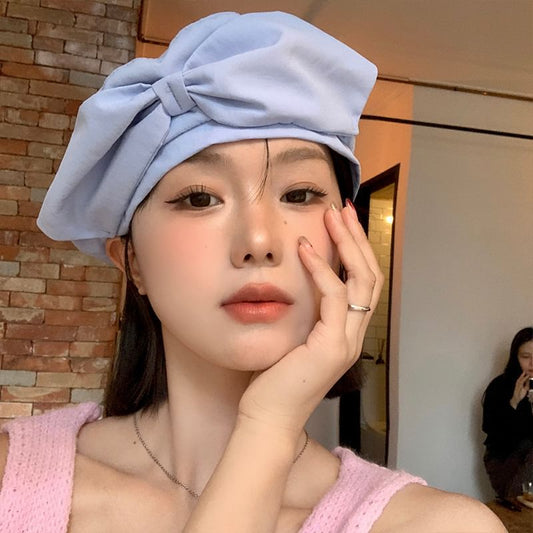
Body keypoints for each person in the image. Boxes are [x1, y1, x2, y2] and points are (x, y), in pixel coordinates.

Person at [0, 11, 503, 533]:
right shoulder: (11, 479)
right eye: (199, 198)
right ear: (131, 261)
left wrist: (269, 426)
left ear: (347, 241)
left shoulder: (436, 526)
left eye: (299, 194)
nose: (258, 242)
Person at [483, 326, 533, 501]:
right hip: (505, 456)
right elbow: (493, 433)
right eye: (526, 357)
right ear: (515, 357)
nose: (532, 363)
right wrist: (514, 402)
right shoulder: (499, 386)